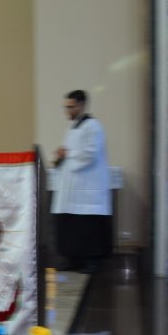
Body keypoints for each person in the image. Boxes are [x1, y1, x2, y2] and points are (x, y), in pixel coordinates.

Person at [50, 89, 112, 274]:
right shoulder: (72, 127)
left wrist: (68, 154)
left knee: (87, 225)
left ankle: (92, 261)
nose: (68, 111)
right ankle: (73, 259)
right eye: (66, 107)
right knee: (71, 224)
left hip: (87, 186)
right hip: (72, 187)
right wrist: (62, 154)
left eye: (71, 107)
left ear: (82, 105)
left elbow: (90, 154)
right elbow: (70, 151)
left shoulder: (93, 126)